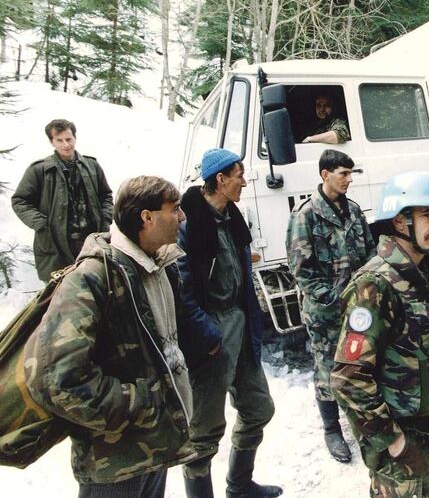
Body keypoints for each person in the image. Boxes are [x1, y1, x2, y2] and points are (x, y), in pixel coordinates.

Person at [23, 176, 194, 497]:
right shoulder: (91, 278)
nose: (182, 217)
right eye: (175, 209)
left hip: (154, 449)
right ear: (147, 217)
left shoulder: (161, 264)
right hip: (112, 466)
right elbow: (56, 380)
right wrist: (139, 405)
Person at [331, 171, 429, 498]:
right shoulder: (374, 284)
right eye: (427, 215)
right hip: (405, 438)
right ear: (400, 221)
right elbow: (349, 378)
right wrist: (393, 442)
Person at [177, 148, 281, 498]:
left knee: (258, 409)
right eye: (239, 175)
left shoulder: (230, 218)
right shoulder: (187, 225)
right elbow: (182, 289)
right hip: (212, 334)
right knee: (203, 434)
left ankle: (239, 487)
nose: (245, 180)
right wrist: (206, 332)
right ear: (220, 179)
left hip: (240, 324)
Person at [286, 149, 376, 462]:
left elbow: (369, 254)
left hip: (358, 309)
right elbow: (302, 270)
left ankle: (364, 422)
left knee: (360, 364)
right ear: (325, 174)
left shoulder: (353, 210)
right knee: (327, 370)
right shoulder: (305, 215)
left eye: (351, 174)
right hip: (325, 312)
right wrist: (333, 299)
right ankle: (331, 429)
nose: (349, 180)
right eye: (343, 174)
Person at [12, 119, 113, 281]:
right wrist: (41, 224)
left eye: (69, 139)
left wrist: (106, 217)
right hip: (55, 244)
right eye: (59, 140)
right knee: (58, 295)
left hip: (91, 241)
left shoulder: (92, 165)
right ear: (51, 142)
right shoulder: (39, 170)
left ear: (75, 138)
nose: (65, 144)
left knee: (96, 288)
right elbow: (20, 200)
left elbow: (106, 195)